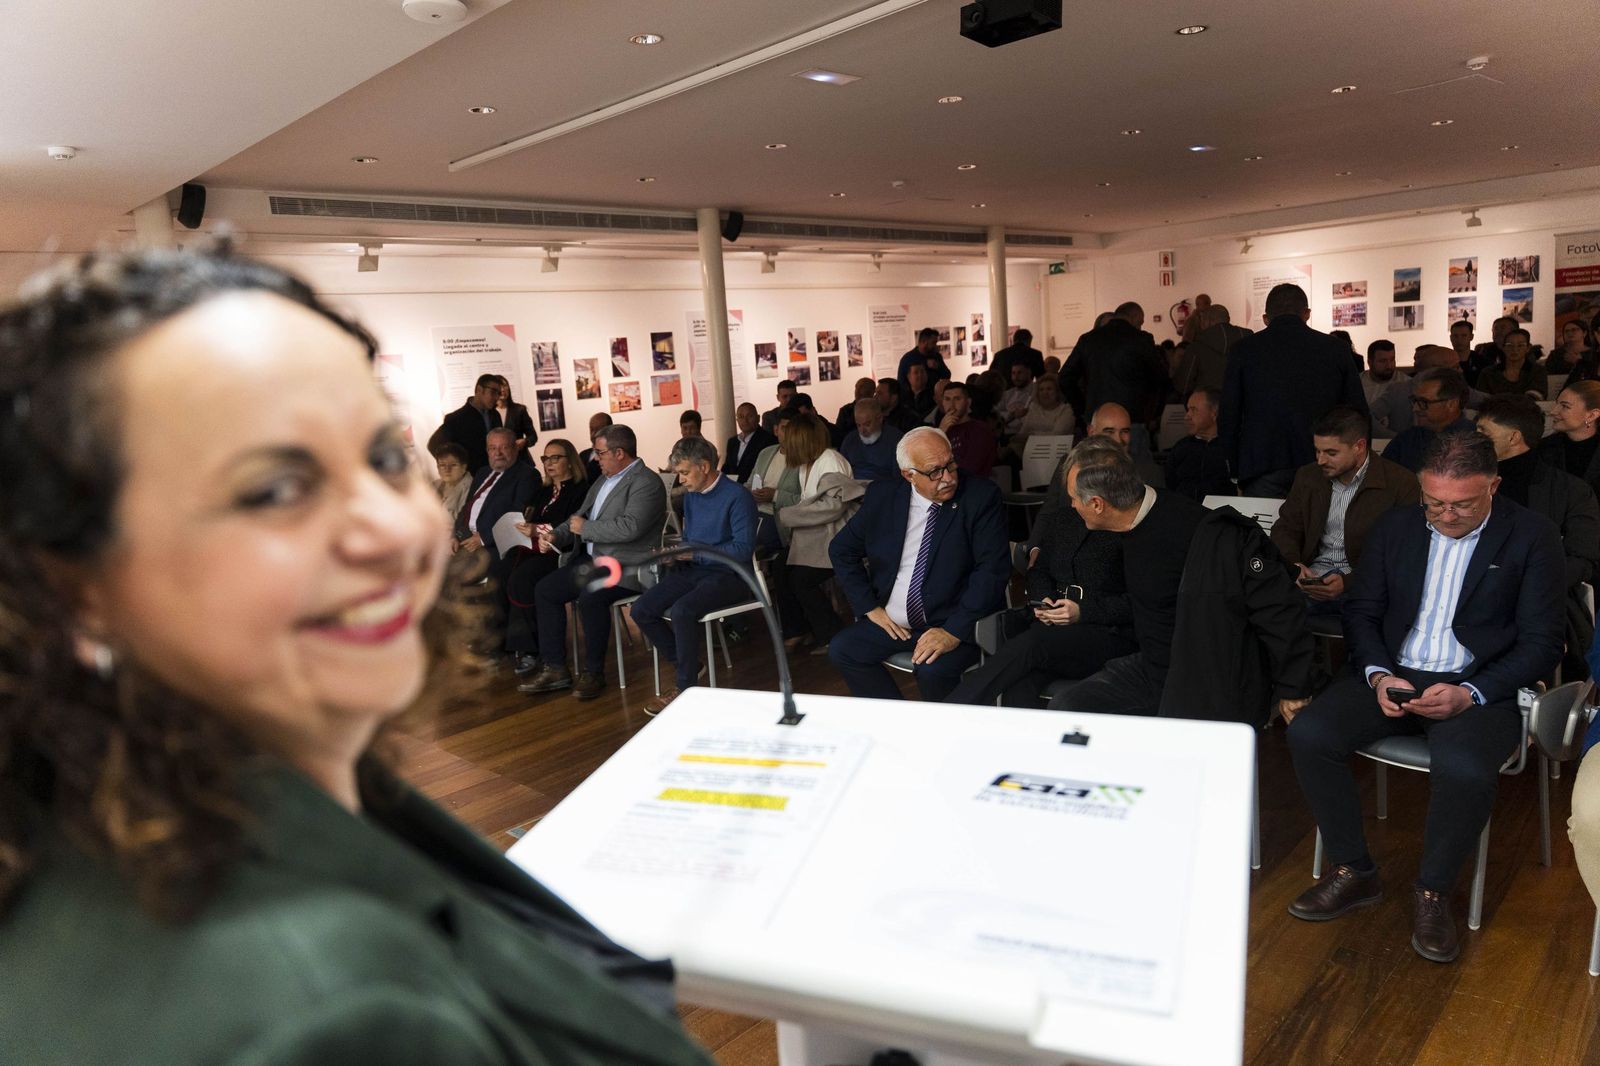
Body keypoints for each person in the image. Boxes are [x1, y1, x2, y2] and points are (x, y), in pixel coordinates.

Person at [0, 246, 712, 1066]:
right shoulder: (321, 1012)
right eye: (274, 488)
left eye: (382, 458)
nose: (396, 528)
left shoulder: (165, 806)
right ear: (76, 585)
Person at [1285, 431, 1565, 964]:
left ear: (1494, 486)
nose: (1446, 514)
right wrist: (1376, 676)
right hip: (1394, 672)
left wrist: (1472, 693)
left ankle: (1433, 891)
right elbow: (1362, 612)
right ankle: (1353, 871)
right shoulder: (1397, 527)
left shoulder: (1532, 535)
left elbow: (1543, 642)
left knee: (1462, 767)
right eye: (1434, 501)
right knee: (1309, 733)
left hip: (1479, 682)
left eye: (1462, 504)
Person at [828, 427, 1009, 701]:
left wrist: (953, 631)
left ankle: (947, 736)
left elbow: (992, 572)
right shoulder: (884, 496)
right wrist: (869, 607)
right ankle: (899, 724)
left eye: (950, 465)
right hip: (895, 623)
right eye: (934, 471)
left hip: (956, 620)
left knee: (931, 669)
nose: (947, 478)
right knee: (843, 649)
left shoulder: (980, 497)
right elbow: (841, 549)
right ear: (908, 475)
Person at [1042, 438, 1208, 716]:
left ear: (1097, 504)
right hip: (1149, 660)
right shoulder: (1128, 526)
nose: (1071, 505)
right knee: (1066, 704)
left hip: (1189, 673)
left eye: (1073, 497)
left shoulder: (1188, 529)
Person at [521, 424, 667, 700]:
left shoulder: (646, 482)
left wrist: (584, 529)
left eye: (600, 453)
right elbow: (577, 517)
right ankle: (555, 668)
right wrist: (555, 533)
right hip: (595, 562)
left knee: (591, 596)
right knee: (545, 589)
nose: (595, 458)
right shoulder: (602, 480)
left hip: (629, 567)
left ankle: (593, 672)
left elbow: (630, 527)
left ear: (620, 453)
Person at [629, 437, 758, 714]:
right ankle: (688, 664)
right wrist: (673, 553)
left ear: (705, 466)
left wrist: (693, 554)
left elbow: (742, 550)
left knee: (683, 610)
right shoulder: (691, 498)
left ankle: (686, 687)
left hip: (732, 575)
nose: (681, 480)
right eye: (678, 473)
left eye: (685, 473)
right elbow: (693, 542)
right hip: (697, 570)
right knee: (641, 610)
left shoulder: (737, 496)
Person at [1476, 394, 1600, 680]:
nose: (1475, 438)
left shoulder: (1570, 491)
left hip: (1539, 599)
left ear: (1514, 437)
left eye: (1484, 432)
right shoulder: (1467, 486)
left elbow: (1582, 561)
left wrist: (1523, 583)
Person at [1220, 283, 1369, 497]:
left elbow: (1229, 414)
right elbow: (1357, 411)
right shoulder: (1335, 349)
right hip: (1324, 462)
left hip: (1261, 463)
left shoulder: (1243, 350)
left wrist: (1235, 468)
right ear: (1307, 314)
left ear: (1265, 318)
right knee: (1320, 528)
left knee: (1265, 529)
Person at [1272, 407, 1420, 613]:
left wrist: (1350, 582)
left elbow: (1403, 552)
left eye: (1331, 453)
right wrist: (1293, 565)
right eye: (1317, 450)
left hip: (1366, 583)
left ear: (1359, 446)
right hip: (1310, 576)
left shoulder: (1400, 483)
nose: (1321, 460)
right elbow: (1286, 527)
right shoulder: (1309, 476)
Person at [505, 438, 589, 678]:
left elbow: (569, 527)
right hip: (532, 548)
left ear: (570, 462)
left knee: (524, 577)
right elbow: (527, 517)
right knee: (505, 570)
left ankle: (533, 648)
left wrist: (537, 530)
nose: (548, 463)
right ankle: (516, 643)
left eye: (555, 458)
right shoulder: (542, 491)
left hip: (561, 553)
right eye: (545, 458)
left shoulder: (580, 490)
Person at [770, 414, 855, 652]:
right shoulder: (805, 466)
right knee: (780, 567)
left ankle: (834, 634)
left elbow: (835, 505)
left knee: (801, 580)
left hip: (836, 539)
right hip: (815, 537)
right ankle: (798, 630)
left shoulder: (830, 460)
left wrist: (791, 514)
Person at [452, 427, 540, 642]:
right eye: (493, 448)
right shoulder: (482, 472)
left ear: (516, 448)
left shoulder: (527, 475)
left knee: (486, 576)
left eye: (504, 447)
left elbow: (517, 514)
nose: (498, 453)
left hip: (499, 544)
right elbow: (466, 508)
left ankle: (491, 642)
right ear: (487, 450)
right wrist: (454, 535)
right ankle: (463, 639)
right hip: (466, 540)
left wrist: (482, 538)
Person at [1061, 301, 1166, 443]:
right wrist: (1150, 413)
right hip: (1131, 418)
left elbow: (1065, 377)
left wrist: (1082, 408)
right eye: (1140, 323)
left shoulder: (1088, 339)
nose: (1140, 327)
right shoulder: (1141, 339)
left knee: (1099, 462)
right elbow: (1159, 377)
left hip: (1096, 418)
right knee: (1132, 462)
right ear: (1134, 317)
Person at [1383, 368, 1475, 474]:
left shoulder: (1475, 441)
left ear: (1452, 404)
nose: (1415, 409)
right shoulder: (1406, 440)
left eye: (1424, 402)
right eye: (1415, 401)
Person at [1164, 387, 1234, 502]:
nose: (1187, 416)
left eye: (1194, 410)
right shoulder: (1180, 448)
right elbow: (1170, 485)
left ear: (1214, 413)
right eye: (1188, 410)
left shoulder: (1232, 448)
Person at [427, 372, 503, 474]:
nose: (497, 397)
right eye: (493, 392)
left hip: (495, 474)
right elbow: (434, 445)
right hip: (471, 478)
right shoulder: (456, 418)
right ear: (479, 390)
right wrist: (456, 468)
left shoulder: (495, 415)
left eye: (498, 393)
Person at [1172, 304, 1252, 396]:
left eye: (1202, 320)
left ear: (1208, 321)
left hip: (1208, 404)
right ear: (1228, 319)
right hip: (1244, 401)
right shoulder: (1248, 339)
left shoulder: (1197, 345)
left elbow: (1183, 385)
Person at [1541, 380, 1600, 499]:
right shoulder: (1544, 447)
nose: (1553, 412)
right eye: (1557, 404)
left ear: (1592, 415)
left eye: (1565, 406)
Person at [938, 380, 997, 476]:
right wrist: (940, 432)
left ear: (968, 402)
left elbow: (970, 467)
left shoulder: (980, 430)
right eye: (947, 399)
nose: (952, 405)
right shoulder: (942, 430)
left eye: (957, 399)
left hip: (972, 485)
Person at [840, 397, 903, 482]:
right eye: (858, 425)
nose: (862, 430)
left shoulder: (895, 439)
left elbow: (900, 479)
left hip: (885, 490)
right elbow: (842, 474)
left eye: (867, 424)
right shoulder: (850, 440)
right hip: (853, 489)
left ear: (880, 418)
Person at [1476, 329, 1548, 398]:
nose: (1514, 349)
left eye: (1520, 345)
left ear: (1528, 348)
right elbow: (1482, 399)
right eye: (1510, 345)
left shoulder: (1538, 371)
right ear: (1503, 348)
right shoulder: (1488, 373)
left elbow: (1537, 397)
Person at [721, 402, 775, 484]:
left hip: (754, 488)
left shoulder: (768, 440)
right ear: (737, 420)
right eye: (741, 417)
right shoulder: (733, 441)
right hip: (732, 488)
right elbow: (727, 467)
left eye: (749, 416)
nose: (745, 420)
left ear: (758, 418)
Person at [493, 374, 537, 464]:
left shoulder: (519, 410)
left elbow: (533, 436)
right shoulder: (489, 413)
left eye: (505, 385)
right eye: (499, 386)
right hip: (497, 461)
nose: (502, 389)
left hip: (519, 459)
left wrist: (524, 441)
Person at [897, 326, 951, 392]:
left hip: (934, 398)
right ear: (924, 342)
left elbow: (947, 375)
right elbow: (901, 383)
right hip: (916, 399)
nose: (936, 345)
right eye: (933, 342)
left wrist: (937, 366)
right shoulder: (908, 359)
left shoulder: (936, 356)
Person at [432, 441, 473, 522]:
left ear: (464, 467)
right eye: (442, 465)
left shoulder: (471, 488)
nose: (447, 469)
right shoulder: (434, 485)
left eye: (453, 465)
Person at [997, 361, 1037, 437]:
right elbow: (997, 413)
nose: (1016, 377)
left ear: (1028, 373)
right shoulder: (1007, 394)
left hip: (1028, 434)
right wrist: (1012, 414)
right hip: (1007, 435)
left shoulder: (1037, 390)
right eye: (1013, 373)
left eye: (1019, 373)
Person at [1360, 340, 1402, 409]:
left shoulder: (1405, 383)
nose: (1389, 366)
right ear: (1369, 362)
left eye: (1392, 360)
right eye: (1383, 361)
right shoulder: (1357, 383)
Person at [579, 411, 612, 481]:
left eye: (598, 429)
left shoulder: (613, 455)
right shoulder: (582, 455)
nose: (593, 434)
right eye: (591, 429)